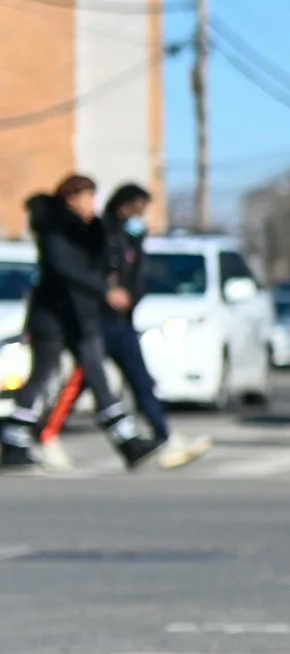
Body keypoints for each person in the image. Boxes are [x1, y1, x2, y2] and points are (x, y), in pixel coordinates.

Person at [2, 175, 166, 471]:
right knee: (41, 377)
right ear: (72, 198)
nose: (93, 203)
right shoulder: (54, 229)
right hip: (52, 316)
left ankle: (128, 442)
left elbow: (109, 262)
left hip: (82, 317)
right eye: (88, 196)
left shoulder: (90, 230)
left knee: (98, 377)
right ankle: (13, 440)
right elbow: (66, 268)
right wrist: (105, 290)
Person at [100, 183, 208, 469]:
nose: (143, 215)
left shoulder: (130, 238)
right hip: (99, 322)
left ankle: (163, 436)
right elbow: (95, 273)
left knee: (141, 381)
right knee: (83, 384)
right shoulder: (103, 233)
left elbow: (134, 276)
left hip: (122, 322)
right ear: (125, 205)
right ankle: (38, 434)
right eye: (140, 209)